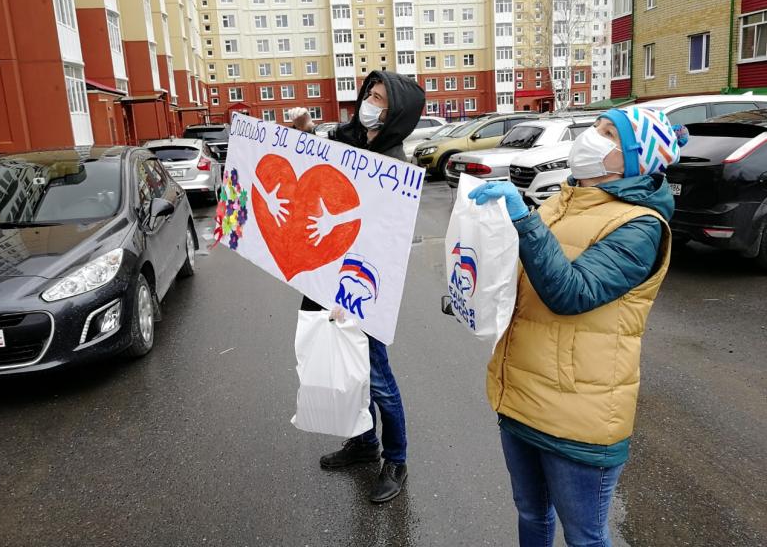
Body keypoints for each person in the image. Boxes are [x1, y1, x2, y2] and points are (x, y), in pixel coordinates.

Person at [467, 107, 687, 546]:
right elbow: (527, 272)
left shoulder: (639, 226)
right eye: (597, 127)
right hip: (521, 394)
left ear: (634, 160)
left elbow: (572, 293)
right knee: (531, 514)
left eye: (608, 134)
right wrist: (471, 290)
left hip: (578, 412)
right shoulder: (566, 199)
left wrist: (524, 221)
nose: (592, 137)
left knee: (585, 536)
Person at [291, 71, 425, 503]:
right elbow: (315, 164)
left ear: (396, 114)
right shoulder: (347, 139)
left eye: (381, 99)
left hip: (361, 287)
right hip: (324, 276)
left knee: (377, 377)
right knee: (347, 372)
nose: (371, 101)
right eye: (370, 92)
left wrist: (353, 295)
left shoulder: (395, 165)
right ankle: (365, 444)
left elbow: (385, 241)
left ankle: (397, 459)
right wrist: (303, 132)